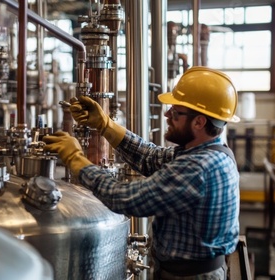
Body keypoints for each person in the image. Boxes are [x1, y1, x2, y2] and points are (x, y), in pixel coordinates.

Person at [43, 66, 241, 279]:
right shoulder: (207, 152)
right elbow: (150, 157)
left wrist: (75, 159)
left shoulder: (198, 168)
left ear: (199, 121)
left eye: (175, 112)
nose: (166, 115)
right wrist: (105, 125)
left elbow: (125, 198)